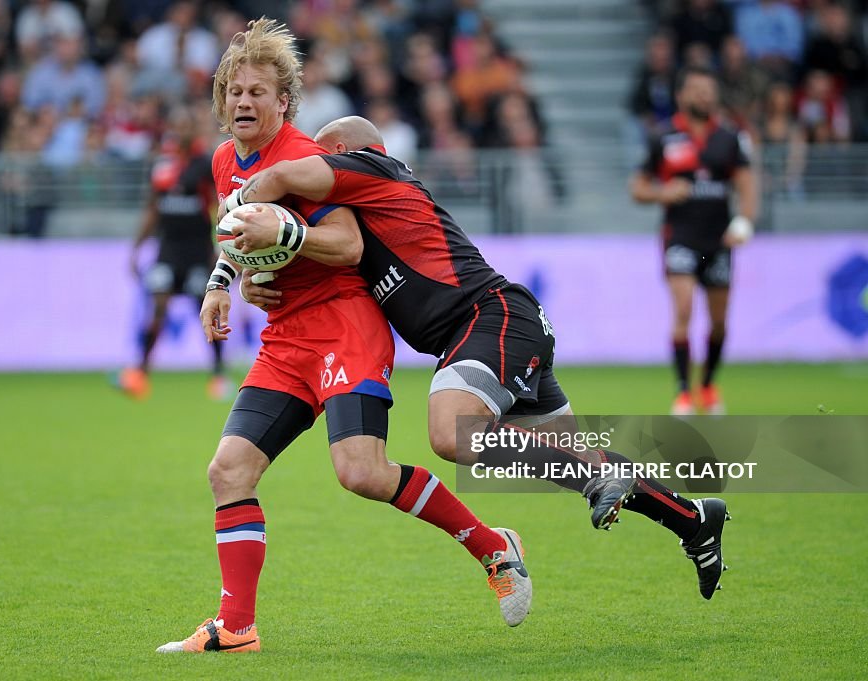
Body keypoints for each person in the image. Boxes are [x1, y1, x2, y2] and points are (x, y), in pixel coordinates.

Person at [228, 114, 732, 601]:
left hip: (489, 318)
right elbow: (323, 264)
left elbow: (283, 174)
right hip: (497, 328)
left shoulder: (373, 167)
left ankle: (596, 482)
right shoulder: (361, 219)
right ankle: (693, 520)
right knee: (577, 456)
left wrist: (240, 197)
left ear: (339, 153)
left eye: (322, 154)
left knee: (451, 433)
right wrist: (251, 277)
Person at [156, 18, 530, 656]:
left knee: (360, 473)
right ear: (221, 102)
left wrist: (289, 239)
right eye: (234, 92)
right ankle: (236, 627)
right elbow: (235, 224)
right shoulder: (224, 160)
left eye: (257, 92)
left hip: (344, 326)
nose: (243, 102)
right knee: (228, 471)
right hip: (285, 339)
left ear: (284, 103)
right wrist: (222, 283)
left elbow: (349, 244)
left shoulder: (305, 159)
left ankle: (492, 546)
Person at [630, 66, 759, 416]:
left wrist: (744, 220)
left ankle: (708, 385)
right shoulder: (665, 137)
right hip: (680, 239)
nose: (704, 96)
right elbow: (637, 188)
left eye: (709, 90)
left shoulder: (730, 138)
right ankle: (684, 391)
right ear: (682, 96)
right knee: (683, 310)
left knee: (718, 322)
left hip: (718, 242)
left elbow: (747, 183)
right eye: (697, 90)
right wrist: (663, 192)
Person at [114, 108, 226, 401]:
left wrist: (219, 247)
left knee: (205, 310)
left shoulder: (205, 164)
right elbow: (153, 209)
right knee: (158, 307)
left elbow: (217, 207)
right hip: (167, 251)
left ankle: (218, 373)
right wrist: (137, 248)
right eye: (176, 125)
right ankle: (140, 371)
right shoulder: (162, 164)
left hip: (197, 252)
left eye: (186, 125)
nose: (180, 131)